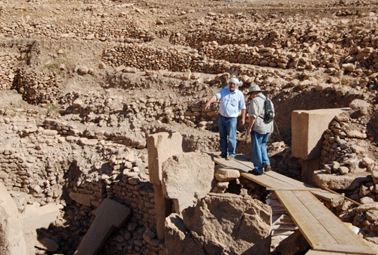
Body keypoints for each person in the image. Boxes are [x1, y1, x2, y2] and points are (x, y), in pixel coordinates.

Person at [205, 77, 246, 160]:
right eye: (230, 83)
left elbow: (243, 107)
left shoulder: (239, 94)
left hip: (232, 119)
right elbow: (216, 96)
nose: (232, 85)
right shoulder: (224, 91)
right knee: (222, 136)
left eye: (233, 84)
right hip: (222, 117)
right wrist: (209, 102)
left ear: (237, 85)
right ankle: (223, 153)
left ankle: (231, 154)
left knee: (231, 137)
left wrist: (243, 118)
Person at [246, 84, 274, 175]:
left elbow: (253, 116)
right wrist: (271, 129)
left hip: (258, 127)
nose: (250, 96)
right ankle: (266, 163)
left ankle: (258, 169)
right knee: (262, 145)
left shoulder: (255, 100)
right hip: (268, 126)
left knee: (256, 147)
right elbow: (272, 115)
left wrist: (250, 127)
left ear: (254, 93)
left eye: (250, 94)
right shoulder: (268, 100)